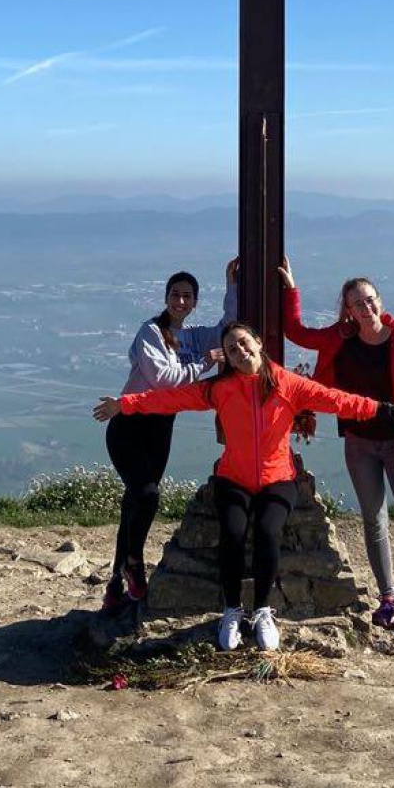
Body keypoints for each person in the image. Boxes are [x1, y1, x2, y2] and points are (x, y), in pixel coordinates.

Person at [93, 320, 394, 653]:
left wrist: (390, 411)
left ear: (258, 342)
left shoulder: (288, 384)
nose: (239, 351)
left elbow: (339, 400)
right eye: (231, 349)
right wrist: (125, 404)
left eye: (243, 342)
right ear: (227, 358)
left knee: (268, 532)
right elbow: (172, 398)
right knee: (233, 533)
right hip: (233, 479)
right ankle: (232, 611)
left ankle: (263, 611)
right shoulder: (220, 388)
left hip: (278, 479)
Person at [279, 256, 394, 647]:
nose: (366, 308)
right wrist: (291, 288)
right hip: (359, 442)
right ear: (347, 309)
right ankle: (387, 599)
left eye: (370, 300)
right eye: (357, 303)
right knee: (374, 520)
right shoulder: (340, 338)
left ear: (380, 300)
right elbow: (295, 332)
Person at [100, 260, 238, 613]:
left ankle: (116, 582)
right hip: (129, 425)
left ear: (194, 303)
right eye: (175, 295)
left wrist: (231, 285)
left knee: (134, 502)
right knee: (147, 496)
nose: (180, 301)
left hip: (161, 427)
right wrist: (203, 364)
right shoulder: (150, 332)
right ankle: (133, 563)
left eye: (187, 296)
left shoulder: (193, 335)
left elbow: (228, 327)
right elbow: (163, 380)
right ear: (166, 298)